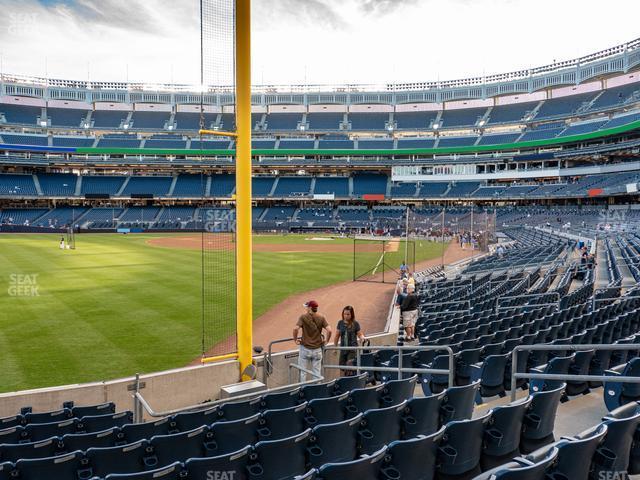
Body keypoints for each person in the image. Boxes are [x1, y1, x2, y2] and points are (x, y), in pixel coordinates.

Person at [293, 300, 332, 382]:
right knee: (317, 373)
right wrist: (327, 341)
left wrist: (295, 339)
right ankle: (316, 391)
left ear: (310, 308)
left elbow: (295, 329)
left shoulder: (303, 317)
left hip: (305, 349)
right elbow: (329, 330)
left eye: (307, 307)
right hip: (317, 350)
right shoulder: (321, 317)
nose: (306, 308)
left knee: (303, 372)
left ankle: (302, 391)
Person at [334, 306, 365, 376]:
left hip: (352, 349)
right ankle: (341, 381)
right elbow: (337, 336)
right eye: (344, 314)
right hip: (343, 349)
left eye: (348, 314)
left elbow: (360, 334)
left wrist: (362, 337)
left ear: (352, 314)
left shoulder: (355, 323)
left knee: (349, 366)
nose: (346, 316)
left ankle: (350, 381)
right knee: (342, 366)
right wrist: (335, 347)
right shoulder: (340, 323)